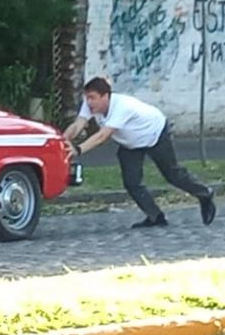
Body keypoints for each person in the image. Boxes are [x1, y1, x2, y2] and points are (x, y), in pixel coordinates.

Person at [63, 77, 216, 228]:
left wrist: (78, 149)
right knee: (131, 182)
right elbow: (78, 125)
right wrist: (61, 140)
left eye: (92, 98)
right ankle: (156, 217)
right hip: (131, 143)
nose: (89, 102)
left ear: (106, 96)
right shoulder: (89, 106)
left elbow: (103, 136)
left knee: (172, 174)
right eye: (87, 98)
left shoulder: (122, 106)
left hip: (155, 134)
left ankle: (205, 194)